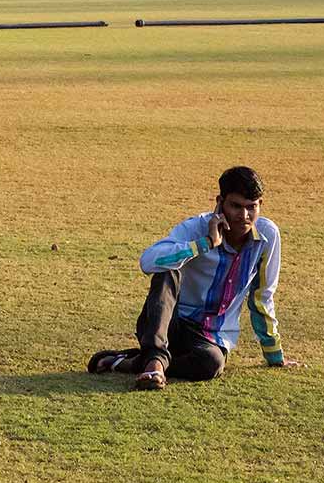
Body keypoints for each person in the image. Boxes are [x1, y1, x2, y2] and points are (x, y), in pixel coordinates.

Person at [88, 166, 290, 390]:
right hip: (167, 324)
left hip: (212, 337)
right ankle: (154, 360)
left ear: (260, 204)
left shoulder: (267, 236)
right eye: (236, 206)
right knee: (167, 268)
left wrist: (274, 355)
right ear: (220, 202)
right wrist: (203, 244)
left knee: (211, 364)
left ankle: (133, 363)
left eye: (252, 207)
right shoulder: (195, 229)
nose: (244, 216)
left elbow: (262, 296)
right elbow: (148, 261)